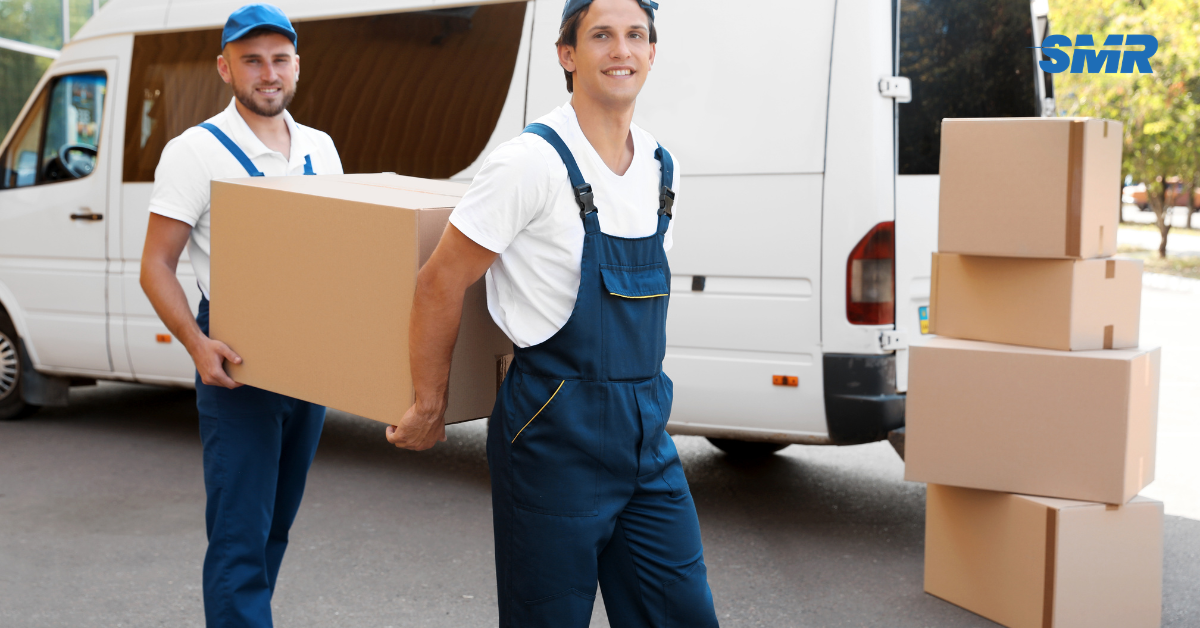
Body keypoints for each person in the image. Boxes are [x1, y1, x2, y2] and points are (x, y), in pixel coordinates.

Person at [386, 0, 720, 625]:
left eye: (635, 35)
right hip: (551, 430)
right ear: (568, 56)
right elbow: (440, 281)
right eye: (601, 35)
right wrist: (430, 404)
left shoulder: (659, 166)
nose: (620, 49)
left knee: (681, 613)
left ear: (652, 54)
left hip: (646, 429)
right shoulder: (528, 163)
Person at [139, 5, 342, 626]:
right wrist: (199, 347)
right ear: (225, 68)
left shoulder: (320, 149)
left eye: (279, 59)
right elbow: (155, 265)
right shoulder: (194, 151)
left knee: (275, 527)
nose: (268, 72)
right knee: (239, 538)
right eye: (252, 60)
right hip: (237, 358)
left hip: (308, 361)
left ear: (297, 67)